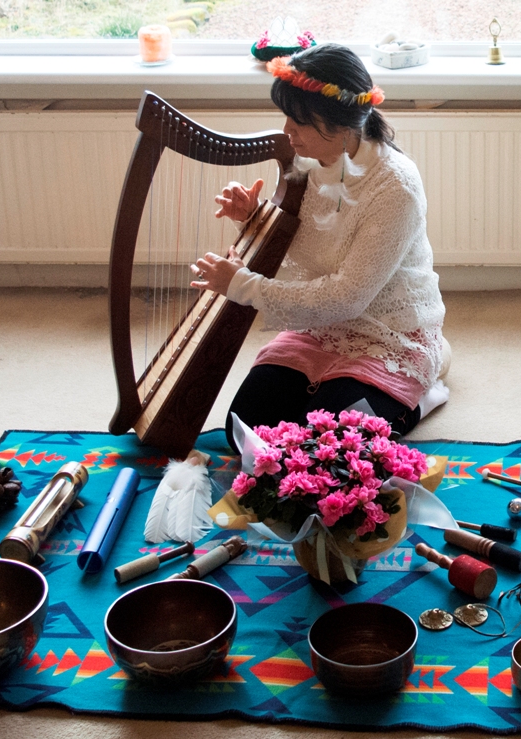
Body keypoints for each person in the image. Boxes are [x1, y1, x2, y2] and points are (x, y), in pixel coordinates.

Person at [190, 43, 448, 452]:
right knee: (248, 433)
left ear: (343, 124)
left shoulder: (395, 186)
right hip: (320, 327)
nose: (287, 131)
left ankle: (422, 391)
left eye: (300, 121)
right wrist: (253, 216)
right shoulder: (304, 164)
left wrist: (241, 284)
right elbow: (307, 240)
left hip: (389, 333)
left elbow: (347, 297)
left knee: (330, 447)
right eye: (287, 117)